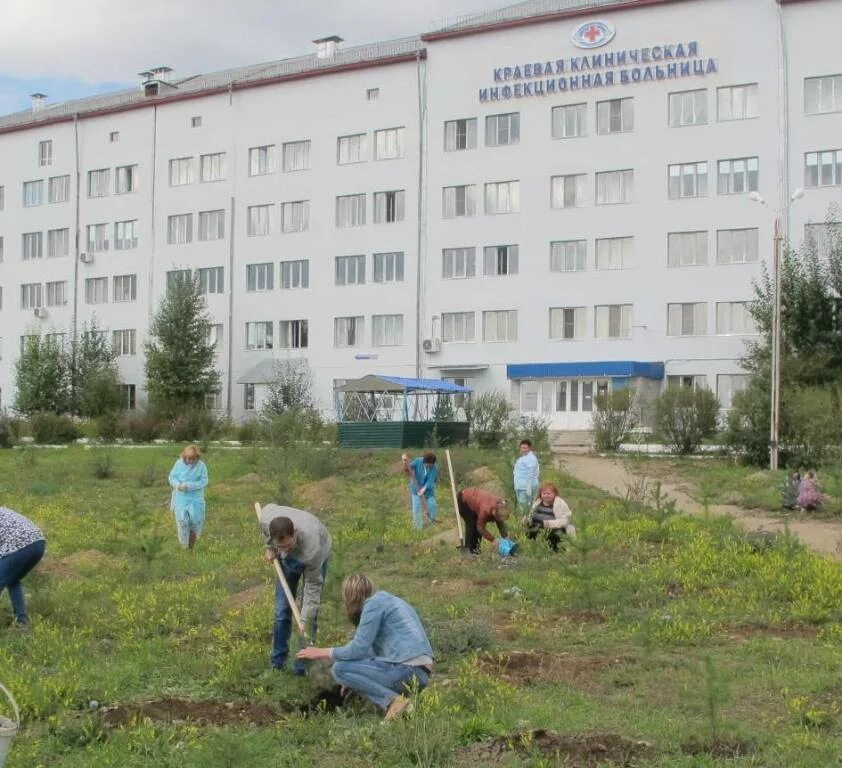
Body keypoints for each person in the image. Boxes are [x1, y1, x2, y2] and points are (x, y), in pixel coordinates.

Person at [296, 573, 433, 722]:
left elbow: (358, 648)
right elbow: (370, 652)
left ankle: (394, 702)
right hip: (420, 674)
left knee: (339, 668)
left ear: (351, 597)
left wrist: (320, 652)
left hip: (406, 670)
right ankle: (405, 708)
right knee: (345, 670)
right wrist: (354, 678)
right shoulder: (391, 601)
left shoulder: (372, 605)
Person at [259, 504, 332, 674]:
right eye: (280, 546)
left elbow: (313, 588)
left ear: (295, 533)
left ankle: (302, 666)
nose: (283, 551)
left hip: (318, 549)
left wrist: (304, 620)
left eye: (287, 545)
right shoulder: (266, 518)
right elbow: (266, 535)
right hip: (293, 546)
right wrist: (270, 548)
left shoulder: (312, 550)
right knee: (282, 610)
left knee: (308, 616)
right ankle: (278, 663)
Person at [0, 507, 46, 627]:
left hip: (20, 546)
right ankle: (22, 622)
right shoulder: (3, 510)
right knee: (13, 580)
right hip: (38, 544)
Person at [168, 444, 209, 549]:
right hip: (181, 498)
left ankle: (191, 547)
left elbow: (204, 481)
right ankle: (184, 547)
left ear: (197, 457)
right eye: (187, 459)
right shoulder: (178, 463)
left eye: (192, 459)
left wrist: (190, 486)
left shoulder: (201, 466)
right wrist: (178, 485)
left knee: (195, 523)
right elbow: (171, 477)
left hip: (196, 498)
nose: (190, 461)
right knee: (182, 522)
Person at [456, 486, 511, 554]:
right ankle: (469, 551)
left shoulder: (500, 506)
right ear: (493, 514)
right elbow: (480, 528)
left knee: (477, 530)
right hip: (463, 500)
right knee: (472, 525)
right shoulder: (485, 510)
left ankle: (476, 550)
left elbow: (500, 523)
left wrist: (506, 537)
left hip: (477, 500)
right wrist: (493, 540)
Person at [525, 483, 575, 552]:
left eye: (549, 493)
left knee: (556, 533)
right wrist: (527, 520)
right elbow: (531, 515)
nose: (546, 496)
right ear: (541, 494)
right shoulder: (538, 502)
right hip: (539, 526)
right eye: (544, 493)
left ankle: (556, 551)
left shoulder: (560, 503)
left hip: (554, 528)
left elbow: (566, 521)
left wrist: (548, 523)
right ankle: (534, 547)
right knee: (529, 528)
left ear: (555, 494)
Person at [402, 452, 439, 529]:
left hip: (428, 491)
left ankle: (432, 524)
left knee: (432, 505)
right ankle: (418, 527)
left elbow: (431, 480)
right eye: (427, 464)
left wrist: (424, 489)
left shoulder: (434, 468)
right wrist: (406, 464)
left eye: (430, 465)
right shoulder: (418, 461)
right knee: (416, 508)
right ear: (424, 462)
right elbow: (408, 468)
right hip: (416, 489)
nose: (429, 466)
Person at [513, 439, 540, 514]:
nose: (523, 450)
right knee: (523, 506)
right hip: (520, 486)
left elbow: (531, 473)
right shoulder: (522, 458)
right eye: (522, 448)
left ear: (529, 448)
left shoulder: (531, 458)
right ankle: (526, 521)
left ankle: (527, 523)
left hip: (526, 487)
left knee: (526, 507)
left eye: (525, 448)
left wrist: (529, 487)